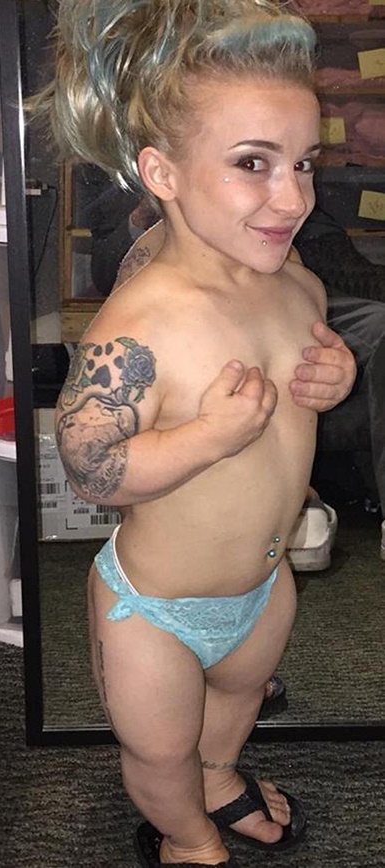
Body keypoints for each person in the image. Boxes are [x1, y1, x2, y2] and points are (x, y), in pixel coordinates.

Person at [47, 2, 357, 865]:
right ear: (164, 172)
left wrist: (335, 377)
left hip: (262, 585)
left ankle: (219, 779)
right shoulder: (142, 324)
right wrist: (207, 438)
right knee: (158, 752)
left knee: (236, 703)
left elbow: (305, 380)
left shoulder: (296, 284)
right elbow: (91, 468)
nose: (294, 197)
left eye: (304, 162)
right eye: (252, 163)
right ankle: (185, 837)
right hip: (154, 611)